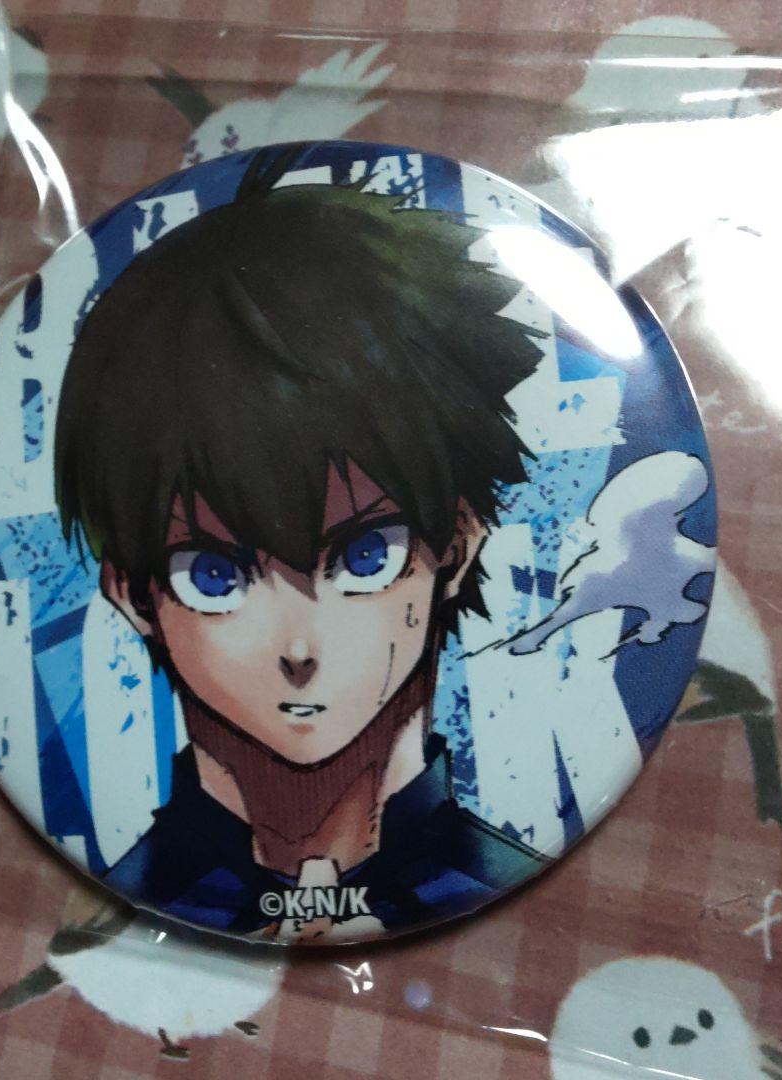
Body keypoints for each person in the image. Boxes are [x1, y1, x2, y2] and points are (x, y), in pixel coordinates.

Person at [54, 146, 552, 940]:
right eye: (214, 575)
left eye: (364, 558)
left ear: (457, 544)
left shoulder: (521, 896)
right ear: (132, 593)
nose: (298, 647)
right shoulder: (106, 929)